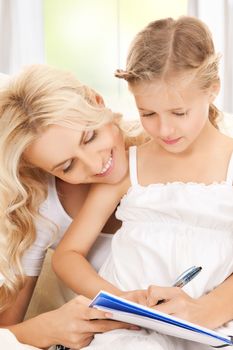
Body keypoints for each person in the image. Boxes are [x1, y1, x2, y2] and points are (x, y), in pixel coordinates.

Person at [52, 16, 233, 349]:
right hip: (132, 333)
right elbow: (67, 255)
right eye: (148, 114)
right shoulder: (129, 168)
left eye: (179, 113)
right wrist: (120, 300)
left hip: (212, 327)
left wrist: (204, 310)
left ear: (213, 89)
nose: (164, 130)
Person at [0, 65, 143, 350]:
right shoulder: (42, 208)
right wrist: (48, 327)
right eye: (67, 166)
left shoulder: (163, 150)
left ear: (97, 101)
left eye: (89, 137)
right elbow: (7, 331)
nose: (94, 164)